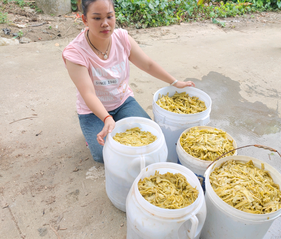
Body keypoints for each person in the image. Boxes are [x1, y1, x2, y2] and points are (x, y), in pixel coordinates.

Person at [62, 0, 195, 163]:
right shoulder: (75, 53)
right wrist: (106, 118)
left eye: (109, 16)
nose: (105, 24)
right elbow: (87, 93)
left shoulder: (122, 38)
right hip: (92, 111)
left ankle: (115, 122)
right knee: (103, 155)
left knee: (150, 138)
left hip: (122, 101)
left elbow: (148, 64)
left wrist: (175, 82)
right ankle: (96, 128)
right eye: (97, 18)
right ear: (84, 20)